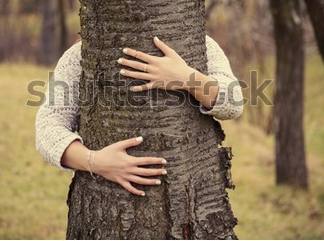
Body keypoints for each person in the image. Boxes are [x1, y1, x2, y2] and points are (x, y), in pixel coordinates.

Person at [36, 36, 243, 196]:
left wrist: (187, 79)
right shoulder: (81, 54)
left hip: (193, 194)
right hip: (106, 201)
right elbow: (48, 126)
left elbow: (234, 102)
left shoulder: (199, 42)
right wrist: (95, 161)